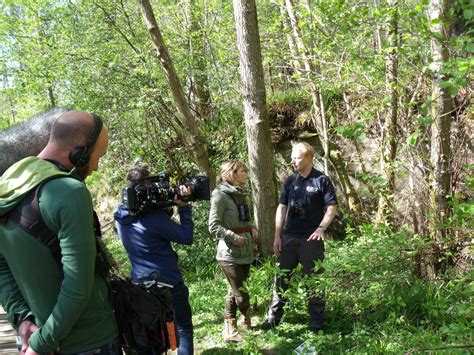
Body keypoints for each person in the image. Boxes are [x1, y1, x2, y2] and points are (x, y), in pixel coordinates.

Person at [0, 110, 120, 354]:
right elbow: (78, 286)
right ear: (80, 152)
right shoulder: (68, 191)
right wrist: (41, 344)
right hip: (90, 341)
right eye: (98, 156)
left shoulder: (7, 189)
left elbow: (2, 268)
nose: (96, 167)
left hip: (41, 336)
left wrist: (22, 319)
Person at [114, 165, 194, 355]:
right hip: (169, 283)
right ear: (145, 185)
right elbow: (186, 237)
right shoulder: (154, 219)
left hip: (140, 285)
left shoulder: (120, 216)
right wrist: (184, 208)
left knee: (152, 336)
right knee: (182, 329)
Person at [261, 142, 338, 333]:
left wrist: (321, 228)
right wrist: (277, 236)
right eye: (292, 157)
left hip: (311, 239)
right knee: (282, 277)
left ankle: (316, 322)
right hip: (288, 237)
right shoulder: (290, 181)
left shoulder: (322, 180)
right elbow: (282, 208)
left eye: (296, 157)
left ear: (309, 158)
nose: (292, 160)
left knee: (314, 279)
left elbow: (332, 207)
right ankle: (274, 318)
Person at [208, 160, 257, 343]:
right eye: (242, 171)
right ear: (231, 174)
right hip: (228, 253)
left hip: (246, 251)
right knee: (241, 293)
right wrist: (233, 238)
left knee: (234, 289)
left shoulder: (242, 194)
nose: (245, 173)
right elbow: (213, 226)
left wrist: (252, 228)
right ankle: (244, 317)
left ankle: (232, 326)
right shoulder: (219, 195)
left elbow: (243, 220)